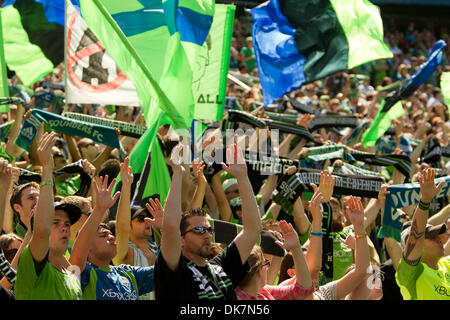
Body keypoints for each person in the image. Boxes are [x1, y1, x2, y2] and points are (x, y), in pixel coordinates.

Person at [154, 143, 262, 300]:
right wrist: (177, 174)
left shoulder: (221, 267)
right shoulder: (174, 270)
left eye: (208, 230)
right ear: (181, 239)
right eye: (198, 230)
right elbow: (170, 227)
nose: (206, 235)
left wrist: (243, 177)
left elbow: (253, 230)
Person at [14, 132, 83, 300]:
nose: (64, 228)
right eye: (56, 222)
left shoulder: (72, 276)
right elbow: (43, 229)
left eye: (67, 224)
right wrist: (47, 169)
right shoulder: (33, 266)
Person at [69, 175, 156, 300]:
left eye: (110, 234)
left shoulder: (128, 273)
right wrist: (99, 209)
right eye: (103, 235)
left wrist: (168, 228)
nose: (111, 237)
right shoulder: (84, 274)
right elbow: (78, 253)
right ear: (87, 247)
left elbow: (167, 268)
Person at [395, 168, 450, 300]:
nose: (439, 239)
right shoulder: (411, 273)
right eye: (431, 237)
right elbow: (417, 235)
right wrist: (425, 201)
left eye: (437, 235)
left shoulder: (446, 264)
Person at [113, 157, 160, 299]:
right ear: (129, 225)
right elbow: (121, 228)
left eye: (148, 216)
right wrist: (126, 186)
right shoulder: (126, 253)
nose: (147, 220)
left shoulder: (158, 249)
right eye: (140, 218)